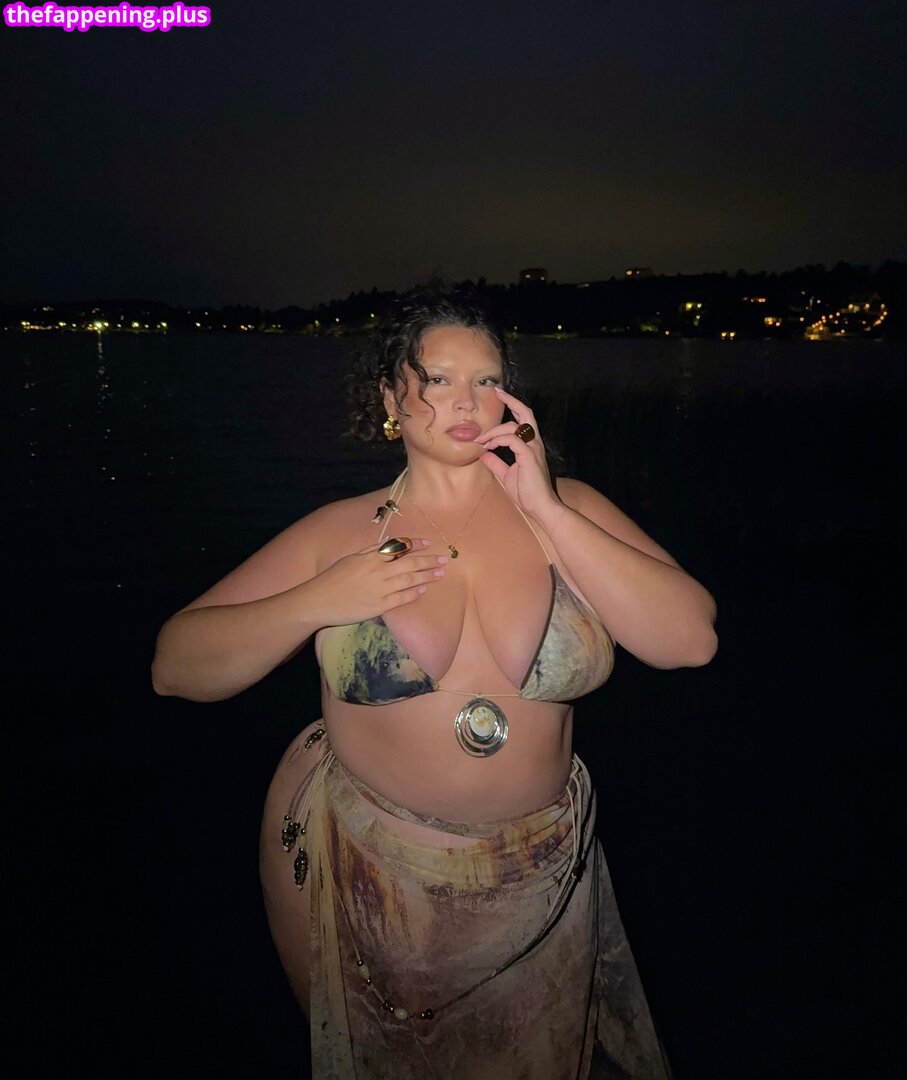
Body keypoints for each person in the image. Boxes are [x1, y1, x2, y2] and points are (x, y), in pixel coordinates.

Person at [151, 293, 717, 1080]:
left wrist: (546, 511)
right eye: (438, 379)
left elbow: (689, 641)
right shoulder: (339, 533)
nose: (465, 401)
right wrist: (318, 600)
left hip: (542, 882)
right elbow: (175, 667)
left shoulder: (572, 510)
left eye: (486, 380)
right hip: (373, 882)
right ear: (390, 398)